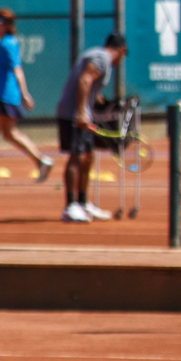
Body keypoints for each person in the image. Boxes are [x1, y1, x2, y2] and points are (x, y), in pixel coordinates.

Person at [54, 33, 128, 223]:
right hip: (73, 113)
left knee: (88, 156)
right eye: (124, 53)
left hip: (83, 111)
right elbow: (84, 80)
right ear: (121, 50)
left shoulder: (99, 57)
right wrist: (80, 112)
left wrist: (101, 103)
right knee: (77, 156)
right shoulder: (102, 58)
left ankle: (82, 202)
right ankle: (70, 206)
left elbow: (91, 87)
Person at [0, 8, 54, 186]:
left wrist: (24, 94)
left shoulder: (7, 44)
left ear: (5, 26)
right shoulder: (4, 44)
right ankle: (41, 161)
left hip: (2, 97)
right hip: (0, 95)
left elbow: (17, 69)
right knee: (9, 133)